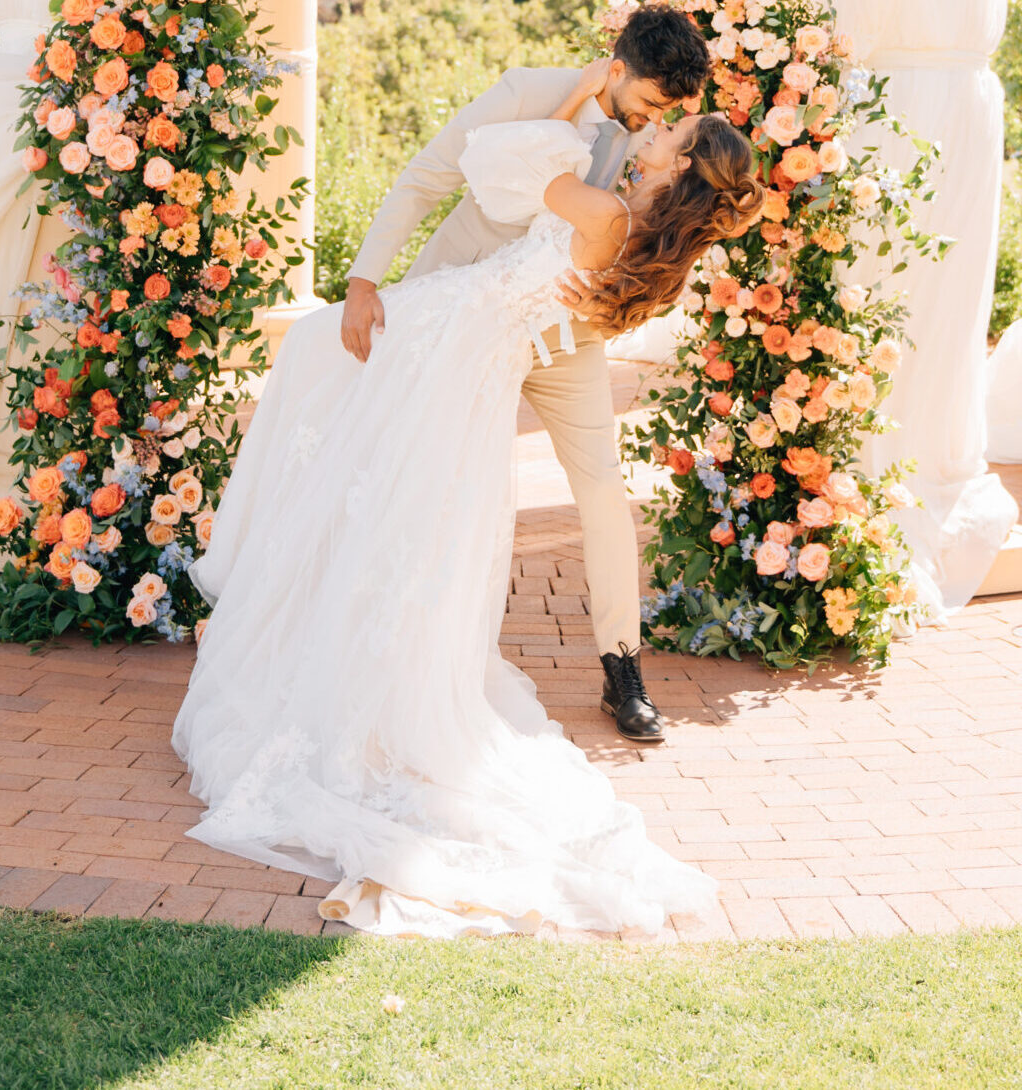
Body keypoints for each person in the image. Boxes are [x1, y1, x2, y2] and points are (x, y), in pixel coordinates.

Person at [171, 57, 764, 937]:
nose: (657, 130)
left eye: (671, 132)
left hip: (451, 344)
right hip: (465, 336)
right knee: (385, 484)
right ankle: (332, 631)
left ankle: (351, 653)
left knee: (356, 449)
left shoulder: (604, 208)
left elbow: (494, 162)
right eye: (662, 114)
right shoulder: (635, 229)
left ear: (678, 166)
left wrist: (568, 108)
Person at [341, 6, 711, 743]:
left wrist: (609, 309)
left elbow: (647, 251)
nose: (649, 125)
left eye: (664, 116)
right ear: (616, 68)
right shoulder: (523, 94)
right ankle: (384, 644)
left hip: (564, 333)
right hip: (464, 314)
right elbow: (424, 181)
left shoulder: (654, 141)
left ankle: (622, 667)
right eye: (645, 104)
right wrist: (363, 280)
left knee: (604, 488)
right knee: (416, 477)